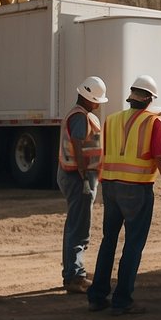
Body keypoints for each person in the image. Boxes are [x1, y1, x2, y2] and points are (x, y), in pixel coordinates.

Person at [87, 74, 161, 316]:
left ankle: (97, 297)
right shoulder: (153, 123)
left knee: (108, 241)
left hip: (110, 187)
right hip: (137, 189)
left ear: (131, 96)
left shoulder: (111, 120)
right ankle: (122, 301)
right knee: (133, 244)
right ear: (150, 99)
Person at [57, 75, 107, 294]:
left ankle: (73, 272)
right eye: (97, 99)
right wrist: (84, 174)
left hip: (76, 175)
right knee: (79, 228)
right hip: (79, 178)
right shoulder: (80, 118)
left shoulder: (80, 115)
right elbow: (78, 143)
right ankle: (74, 276)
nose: (99, 103)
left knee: (74, 225)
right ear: (89, 98)